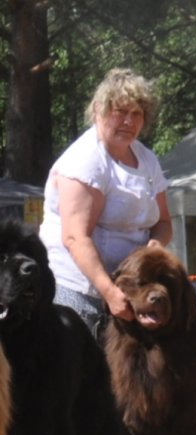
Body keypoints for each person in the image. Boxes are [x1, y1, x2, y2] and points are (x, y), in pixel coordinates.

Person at [39, 68, 173, 332]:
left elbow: (164, 221)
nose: (129, 121)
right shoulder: (85, 160)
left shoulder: (147, 159)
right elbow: (75, 238)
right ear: (99, 109)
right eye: (120, 111)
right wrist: (110, 293)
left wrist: (154, 249)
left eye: (137, 114)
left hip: (133, 289)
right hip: (82, 292)